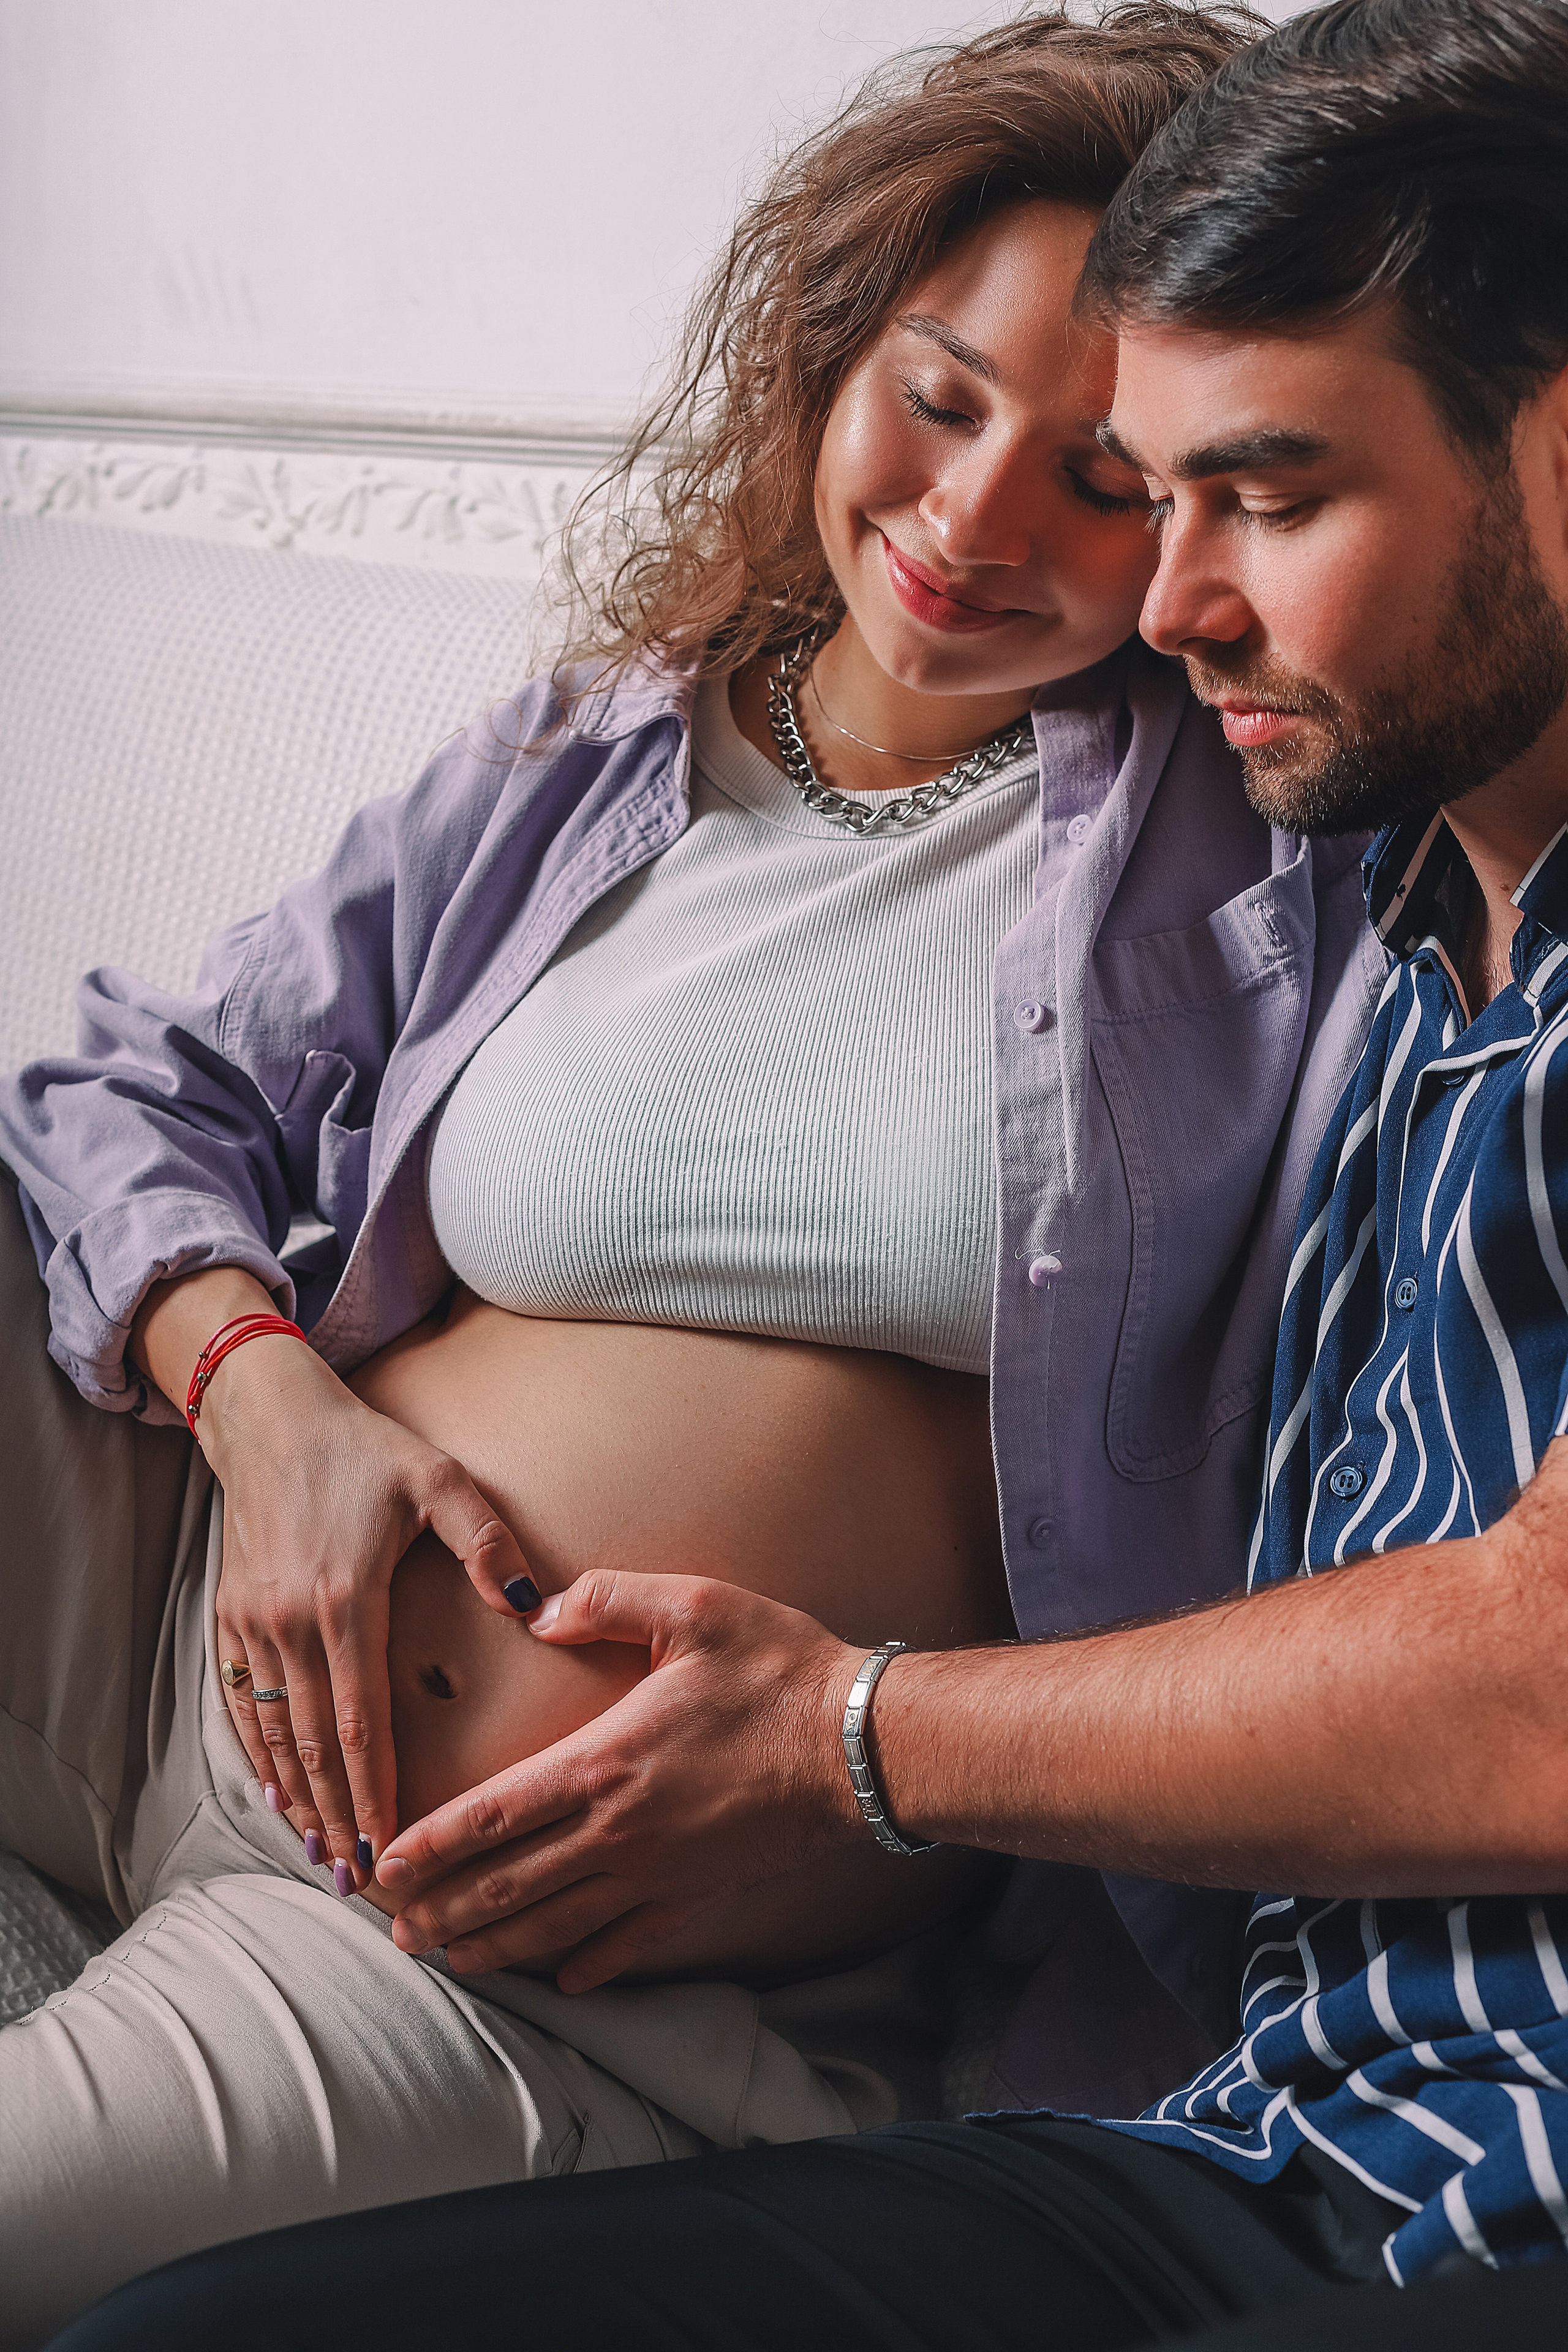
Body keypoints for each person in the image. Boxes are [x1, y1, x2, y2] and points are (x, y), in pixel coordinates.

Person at [53, 0, 1568, 2343]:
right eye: (942, 399)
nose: (990, 527)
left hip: (508, 1928)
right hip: (167, 1563)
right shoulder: (606, 745)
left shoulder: (1278, 833)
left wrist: (858, 1741)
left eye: (1149, 482)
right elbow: (129, 1088)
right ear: (835, 346)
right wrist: (268, 1402)